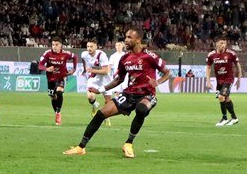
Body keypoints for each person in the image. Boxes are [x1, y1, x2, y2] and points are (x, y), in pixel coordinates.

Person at [64, 28, 171, 158]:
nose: (126, 40)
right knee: (100, 114)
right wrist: (100, 90)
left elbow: (167, 72)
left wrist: (158, 82)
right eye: (125, 37)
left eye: (129, 37)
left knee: (141, 110)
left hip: (147, 95)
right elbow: (118, 79)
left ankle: (128, 144)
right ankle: (81, 147)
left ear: (138, 40)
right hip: (128, 94)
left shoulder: (150, 56)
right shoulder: (125, 58)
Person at [37, 38, 77, 125]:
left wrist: (74, 69)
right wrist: (47, 68)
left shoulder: (66, 53)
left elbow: (75, 57)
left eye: (56, 45)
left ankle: (58, 113)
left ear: (61, 45)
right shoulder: (47, 53)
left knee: (59, 92)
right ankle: (56, 112)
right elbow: (40, 65)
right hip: (51, 78)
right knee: (52, 96)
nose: (54, 47)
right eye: (53, 45)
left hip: (61, 77)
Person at [206, 37, 241, 126]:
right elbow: (208, 68)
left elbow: (238, 65)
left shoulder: (230, 54)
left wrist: (239, 78)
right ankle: (234, 118)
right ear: (216, 43)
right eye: (221, 43)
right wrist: (208, 81)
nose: (223, 45)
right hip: (219, 81)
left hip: (228, 79)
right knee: (226, 98)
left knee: (221, 97)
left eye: (224, 43)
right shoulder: (211, 55)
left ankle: (224, 118)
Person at [79, 40, 110, 116]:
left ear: (96, 46)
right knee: (90, 96)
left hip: (105, 79)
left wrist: (92, 70)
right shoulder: (84, 54)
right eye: (88, 46)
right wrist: (84, 69)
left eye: (91, 46)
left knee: (108, 101)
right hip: (94, 77)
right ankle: (94, 104)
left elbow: (106, 71)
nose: (89, 48)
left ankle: (107, 117)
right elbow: (83, 59)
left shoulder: (101, 55)